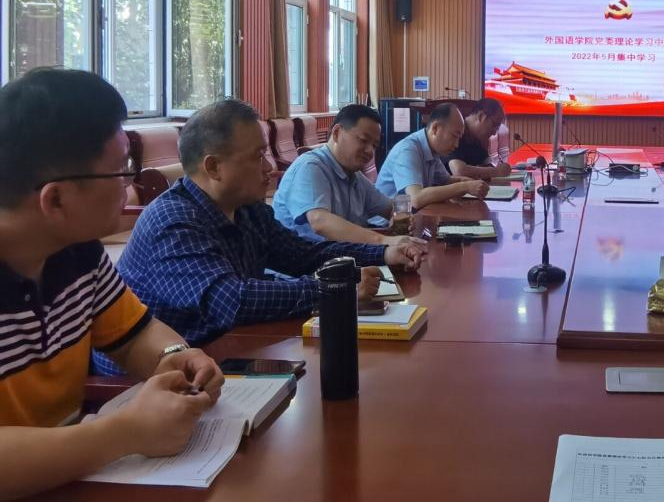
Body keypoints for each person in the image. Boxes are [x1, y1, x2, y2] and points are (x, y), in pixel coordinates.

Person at [0, 69, 226, 498]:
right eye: (121, 171)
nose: (130, 184)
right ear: (55, 198)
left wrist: (175, 356)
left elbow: (134, 334)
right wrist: (124, 433)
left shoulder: (77, 251)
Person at [114, 99, 426, 347]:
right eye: (257, 156)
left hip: (230, 350)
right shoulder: (173, 221)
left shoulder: (247, 209)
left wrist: (384, 254)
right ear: (214, 167)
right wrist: (335, 289)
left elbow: (303, 254)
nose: (268, 167)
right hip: (158, 380)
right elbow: (231, 301)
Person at [273, 104, 423, 245]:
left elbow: (390, 208)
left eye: (374, 145)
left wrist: (399, 217)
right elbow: (319, 221)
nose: (370, 151)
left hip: (342, 255)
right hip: (305, 261)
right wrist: (383, 240)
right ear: (337, 133)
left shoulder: (355, 176)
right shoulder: (310, 166)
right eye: (363, 140)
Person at [376, 103, 490, 208]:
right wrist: (465, 186)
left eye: (459, 139)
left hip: (411, 217)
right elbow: (416, 198)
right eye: (454, 136)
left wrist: (466, 182)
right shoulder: (408, 150)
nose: (456, 145)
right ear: (435, 128)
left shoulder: (432, 149)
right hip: (388, 222)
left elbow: (446, 181)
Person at [446, 98, 512, 180]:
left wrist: (497, 168)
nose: (494, 133)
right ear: (481, 116)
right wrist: (496, 171)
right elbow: (459, 171)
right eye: (494, 125)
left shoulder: (478, 137)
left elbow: (486, 164)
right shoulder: (456, 130)